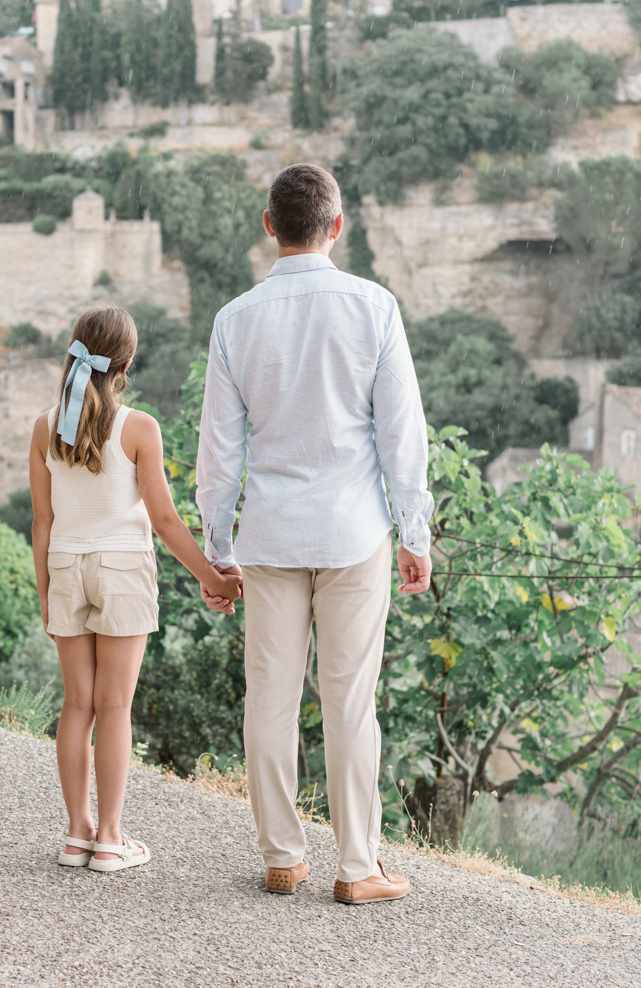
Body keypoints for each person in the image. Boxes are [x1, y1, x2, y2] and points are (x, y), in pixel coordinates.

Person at [197, 162, 432, 906]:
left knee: (268, 697)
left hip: (267, 536)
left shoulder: (235, 319)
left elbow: (218, 451)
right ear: (336, 227)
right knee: (348, 702)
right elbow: (402, 435)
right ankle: (358, 867)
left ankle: (281, 855)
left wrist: (217, 549)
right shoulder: (375, 308)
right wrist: (415, 530)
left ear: (270, 226)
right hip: (353, 533)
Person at [29, 305, 243, 874]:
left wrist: (44, 593)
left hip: (66, 568)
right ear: (125, 364)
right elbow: (167, 522)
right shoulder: (139, 427)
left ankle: (76, 835)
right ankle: (110, 838)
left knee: (77, 705)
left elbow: (42, 522)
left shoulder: (46, 425)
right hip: (122, 568)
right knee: (114, 706)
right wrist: (214, 577)